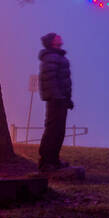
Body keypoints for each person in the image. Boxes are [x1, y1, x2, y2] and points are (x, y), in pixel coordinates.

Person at [37, 32, 73, 172]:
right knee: (53, 129)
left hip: (61, 100)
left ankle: (54, 159)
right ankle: (46, 160)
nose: (60, 37)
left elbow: (62, 81)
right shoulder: (51, 57)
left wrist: (67, 99)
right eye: (56, 36)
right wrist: (57, 97)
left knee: (59, 131)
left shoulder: (57, 56)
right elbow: (50, 79)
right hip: (55, 100)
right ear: (52, 42)